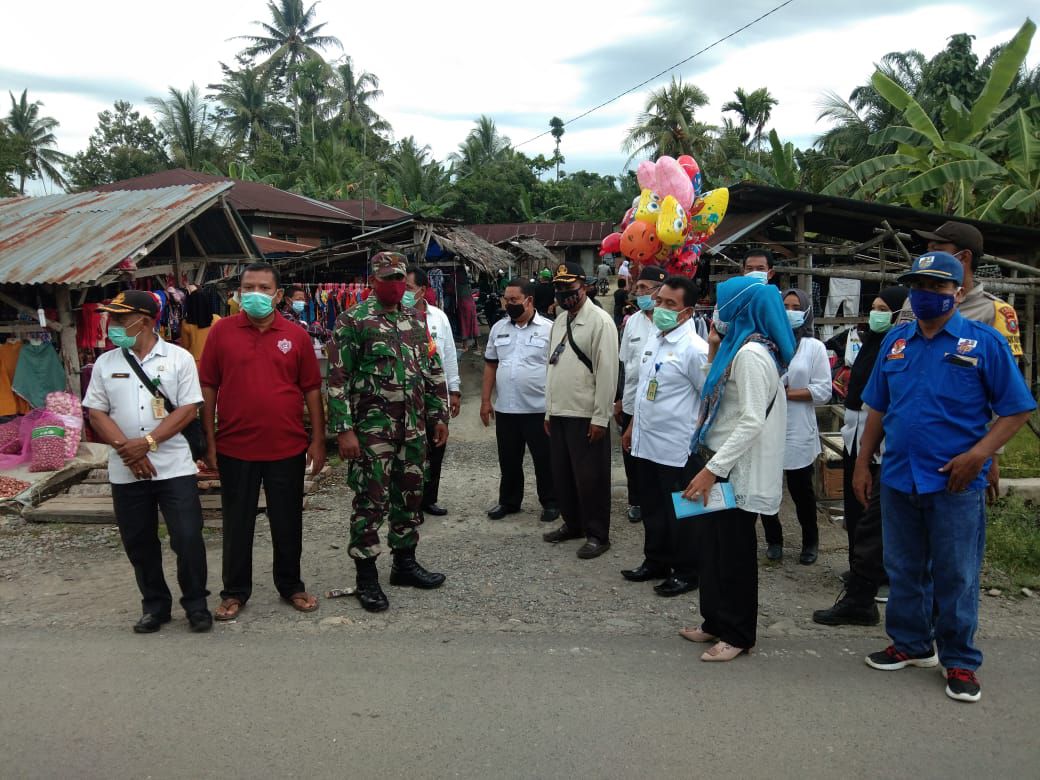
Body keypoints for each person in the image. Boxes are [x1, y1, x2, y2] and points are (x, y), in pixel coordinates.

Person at [855, 252, 1035, 703]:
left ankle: (959, 660)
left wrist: (979, 455)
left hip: (954, 481)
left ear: (957, 290)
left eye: (936, 287)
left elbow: (1016, 409)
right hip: (898, 475)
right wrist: (861, 463)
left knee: (956, 573)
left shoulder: (983, 343)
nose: (925, 294)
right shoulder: (896, 342)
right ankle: (913, 645)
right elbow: (878, 406)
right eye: (919, 285)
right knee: (903, 567)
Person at [199, 262, 325, 622]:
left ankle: (291, 586)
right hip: (235, 446)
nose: (255, 294)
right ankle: (234, 591)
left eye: (263, 288)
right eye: (248, 287)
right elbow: (208, 386)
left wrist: (317, 440)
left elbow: (312, 390)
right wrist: (209, 439)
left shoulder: (296, 335)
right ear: (238, 293)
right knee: (237, 524)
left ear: (278, 295)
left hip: (286, 446)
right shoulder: (221, 333)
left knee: (288, 522)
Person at [679, 277, 794, 661]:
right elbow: (718, 396)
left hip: (730, 469)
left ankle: (738, 632)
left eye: (723, 305)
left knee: (733, 553)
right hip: (714, 458)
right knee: (710, 547)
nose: (716, 313)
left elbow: (749, 421)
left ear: (741, 310)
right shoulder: (735, 348)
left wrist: (712, 469)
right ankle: (713, 620)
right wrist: (713, 346)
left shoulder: (752, 355)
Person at [328, 252, 450, 613]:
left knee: (411, 497)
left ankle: (404, 564)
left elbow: (432, 367)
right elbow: (337, 380)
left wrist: (438, 414)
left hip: (413, 430)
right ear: (372, 282)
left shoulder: (415, 320)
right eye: (387, 278)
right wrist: (344, 431)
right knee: (370, 500)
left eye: (399, 277)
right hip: (372, 433)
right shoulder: (353, 320)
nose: (395, 284)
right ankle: (367, 577)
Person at [83, 290, 211, 634]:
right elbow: (96, 411)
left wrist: (149, 442)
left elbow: (188, 409)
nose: (113, 326)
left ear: (146, 321)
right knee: (139, 541)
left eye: (121, 320)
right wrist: (128, 450)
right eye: (112, 319)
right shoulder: (106, 364)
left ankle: (196, 604)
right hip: (127, 469)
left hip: (175, 466)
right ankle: (155, 606)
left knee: (187, 538)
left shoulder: (179, 358)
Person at [902, 221, 1023, 502]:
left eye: (938, 249)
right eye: (927, 249)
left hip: (959, 454)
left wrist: (990, 453)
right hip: (905, 454)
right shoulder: (913, 303)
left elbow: (1005, 395)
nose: (928, 256)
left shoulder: (994, 312)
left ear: (964, 258)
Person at [813, 285, 908, 627]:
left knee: (872, 514)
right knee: (856, 507)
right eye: (875, 307)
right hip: (857, 432)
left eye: (885, 308)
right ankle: (859, 572)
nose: (876, 314)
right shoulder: (871, 343)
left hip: (879, 437)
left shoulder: (899, 347)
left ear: (899, 314)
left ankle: (875, 579)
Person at [620, 276, 708, 596]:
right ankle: (656, 561)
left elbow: (710, 398)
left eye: (671, 304)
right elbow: (645, 390)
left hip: (677, 447)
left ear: (687, 312)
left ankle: (687, 571)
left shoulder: (695, 350)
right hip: (646, 442)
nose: (661, 309)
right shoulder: (655, 339)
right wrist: (631, 427)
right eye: (660, 301)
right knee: (653, 507)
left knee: (682, 513)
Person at [542, 262, 619, 559]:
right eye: (559, 288)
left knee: (592, 479)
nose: (564, 294)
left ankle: (598, 534)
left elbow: (607, 373)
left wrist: (601, 417)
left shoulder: (600, 322)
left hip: (586, 414)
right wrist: (549, 411)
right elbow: (551, 367)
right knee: (563, 475)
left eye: (570, 288)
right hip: (560, 412)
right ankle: (572, 523)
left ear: (584, 286)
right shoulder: (559, 321)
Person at [759, 288, 832, 564]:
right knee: (767, 487)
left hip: (798, 428)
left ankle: (810, 541)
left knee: (802, 491)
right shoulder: (767, 342)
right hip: (768, 425)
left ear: (805, 311)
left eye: (795, 306)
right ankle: (773, 540)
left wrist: (785, 393)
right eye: (785, 306)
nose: (790, 311)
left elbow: (823, 390)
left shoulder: (814, 348)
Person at [480, 279, 558, 523]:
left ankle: (551, 502)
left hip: (538, 408)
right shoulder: (498, 329)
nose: (508, 304)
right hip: (506, 408)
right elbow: (491, 365)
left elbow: (558, 370)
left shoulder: (550, 329)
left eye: (514, 300)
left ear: (529, 300)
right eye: (506, 299)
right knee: (509, 459)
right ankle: (509, 501)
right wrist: (485, 401)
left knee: (544, 460)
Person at [405, 265, 461, 517]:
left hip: (436, 395)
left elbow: (448, 354)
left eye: (408, 288)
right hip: (407, 397)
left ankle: (429, 499)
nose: (402, 292)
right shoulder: (397, 318)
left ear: (422, 290)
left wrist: (455, 390)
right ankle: (410, 505)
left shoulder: (438, 317)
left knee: (436, 447)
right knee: (411, 452)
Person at [613, 265, 667, 523]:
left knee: (655, 457)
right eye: (638, 287)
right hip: (632, 402)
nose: (639, 292)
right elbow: (623, 364)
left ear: (660, 290)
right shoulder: (631, 322)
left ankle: (657, 500)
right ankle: (636, 501)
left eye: (645, 288)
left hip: (660, 406)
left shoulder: (670, 321)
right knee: (631, 455)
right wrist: (619, 399)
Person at [178, 286, 220, 367]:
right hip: (214, 361)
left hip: (195, 363)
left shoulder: (186, 323)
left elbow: (185, 346)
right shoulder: (216, 319)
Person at [455, 270, 480, 353]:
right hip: (471, 304)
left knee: (464, 324)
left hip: (464, 305)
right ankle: (477, 345)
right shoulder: (467, 285)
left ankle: (465, 346)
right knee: (473, 323)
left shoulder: (458, 284)